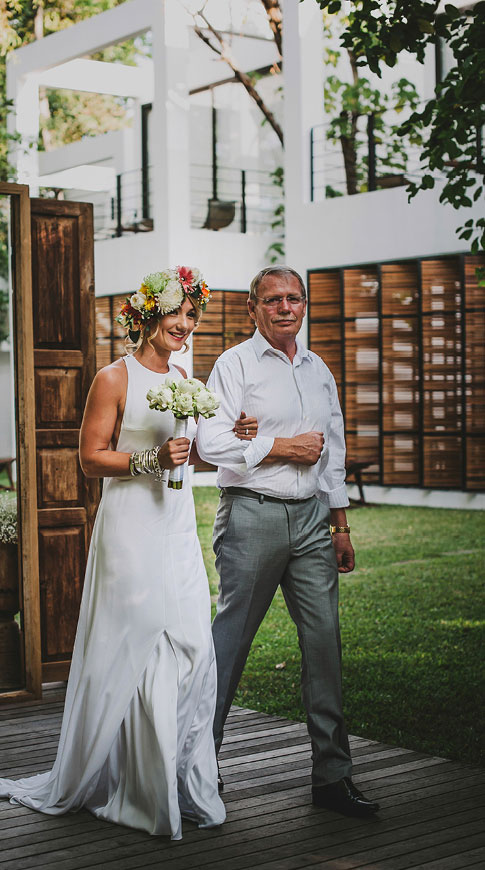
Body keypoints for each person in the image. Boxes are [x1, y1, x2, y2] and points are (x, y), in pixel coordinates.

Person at [0, 267, 255, 840]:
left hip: (175, 523)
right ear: (147, 314)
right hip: (130, 526)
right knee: (137, 639)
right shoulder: (113, 378)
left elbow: (191, 453)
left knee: (191, 641)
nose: (185, 324)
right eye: (175, 312)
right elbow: (90, 458)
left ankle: (173, 778)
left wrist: (233, 435)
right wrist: (150, 460)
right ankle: (133, 785)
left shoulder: (184, 378)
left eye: (192, 315)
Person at [196, 265, 379, 818]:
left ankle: (333, 777)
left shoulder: (319, 369)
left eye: (293, 299)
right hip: (252, 516)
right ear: (252, 307)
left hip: (313, 522)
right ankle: (197, 769)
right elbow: (210, 441)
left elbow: (333, 449)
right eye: (272, 299)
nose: (284, 308)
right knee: (229, 644)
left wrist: (340, 524)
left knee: (324, 645)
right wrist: (281, 447)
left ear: (304, 305)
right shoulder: (234, 365)